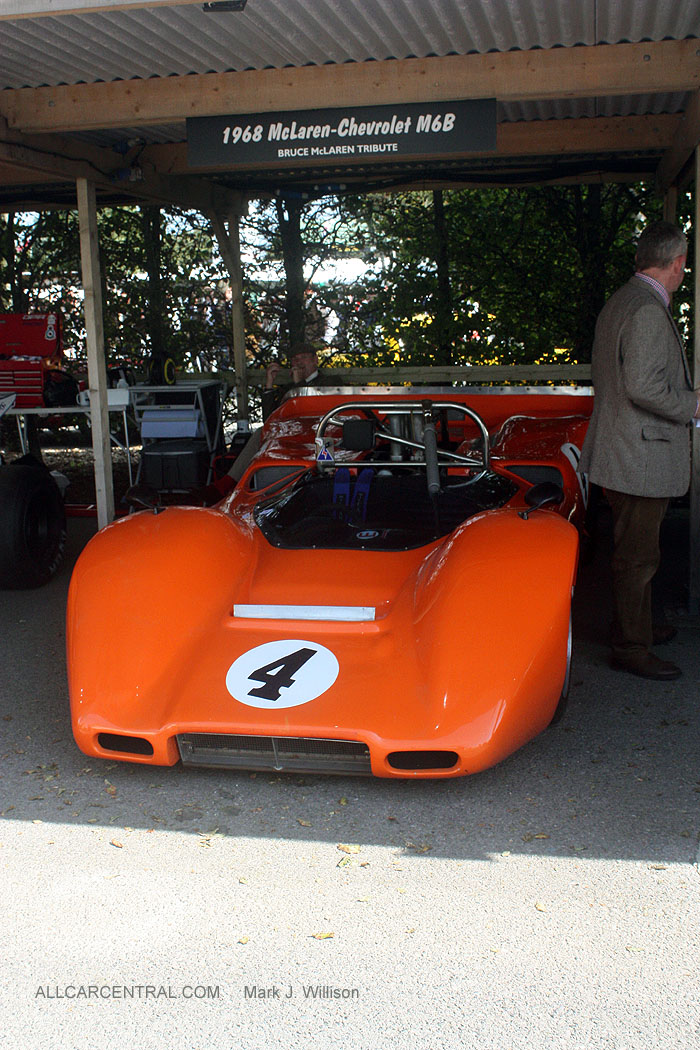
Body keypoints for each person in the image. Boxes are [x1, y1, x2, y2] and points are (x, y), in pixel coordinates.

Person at [579, 220, 700, 680]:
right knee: (638, 556)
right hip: (640, 454)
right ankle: (631, 646)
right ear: (678, 263)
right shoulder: (648, 309)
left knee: (635, 549)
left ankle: (635, 626)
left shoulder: (623, 300)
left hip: (622, 450)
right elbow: (644, 387)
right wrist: (692, 404)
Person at [262, 343, 327, 421]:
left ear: (315, 360)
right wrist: (269, 382)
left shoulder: (329, 382)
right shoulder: (287, 389)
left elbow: (309, 412)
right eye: (294, 359)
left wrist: (299, 383)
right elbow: (269, 419)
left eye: (304, 357)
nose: (299, 362)